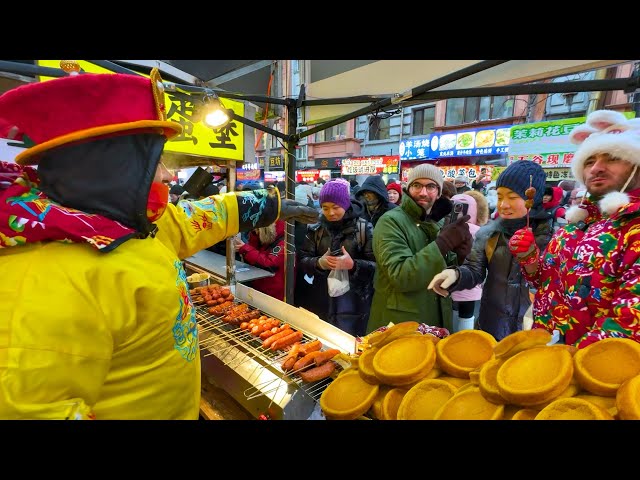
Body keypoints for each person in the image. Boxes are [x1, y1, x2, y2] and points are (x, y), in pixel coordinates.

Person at [0, 69, 318, 420]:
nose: (168, 175)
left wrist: (266, 205)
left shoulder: (124, 224)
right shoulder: (44, 278)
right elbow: (30, 410)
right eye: (157, 162)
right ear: (117, 168)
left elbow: (192, 220)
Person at [507, 110, 640, 349]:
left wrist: (570, 362)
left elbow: (629, 321)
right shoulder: (575, 226)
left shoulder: (634, 226)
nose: (597, 168)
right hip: (546, 354)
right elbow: (544, 282)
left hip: (596, 372)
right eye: (589, 161)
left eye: (612, 157)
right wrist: (529, 259)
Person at [428, 160, 553, 341]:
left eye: (512, 197)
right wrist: (455, 275)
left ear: (532, 198)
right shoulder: (490, 234)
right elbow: (474, 270)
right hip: (491, 326)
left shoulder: (553, 239)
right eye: (500, 197)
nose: (503, 205)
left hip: (531, 333)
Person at [367, 164, 472, 334]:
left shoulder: (439, 222)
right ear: (408, 189)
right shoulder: (390, 222)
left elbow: (444, 274)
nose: (423, 192)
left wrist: (460, 255)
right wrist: (442, 244)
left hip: (435, 320)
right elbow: (401, 275)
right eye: (417, 185)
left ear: (438, 192)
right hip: (399, 324)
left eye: (431, 186)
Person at [298, 179, 376, 337]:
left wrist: (353, 265)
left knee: (351, 345)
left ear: (346, 204)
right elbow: (303, 260)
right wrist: (319, 263)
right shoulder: (316, 229)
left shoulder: (363, 228)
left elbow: (376, 266)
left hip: (354, 303)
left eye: (336, 207)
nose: (330, 213)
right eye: (325, 208)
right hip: (320, 299)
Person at [448, 191, 489, 332]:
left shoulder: (446, 230)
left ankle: (451, 339)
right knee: (467, 315)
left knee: (452, 311)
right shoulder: (480, 231)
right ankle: (464, 340)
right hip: (472, 282)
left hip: (450, 279)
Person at [234, 220, 287, 301]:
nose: (255, 231)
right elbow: (253, 255)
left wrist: (245, 249)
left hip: (273, 292)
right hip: (258, 286)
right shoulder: (258, 236)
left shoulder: (283, 242)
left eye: (257, 229)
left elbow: (270, 264)